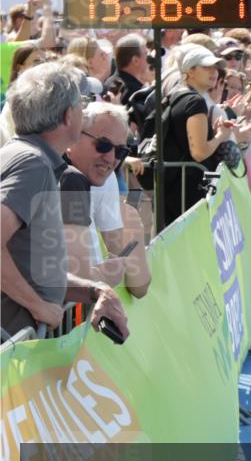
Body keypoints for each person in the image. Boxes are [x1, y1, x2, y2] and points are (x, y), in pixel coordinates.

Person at [1, 63, 129, 340]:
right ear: (69, 115)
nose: (85, 110)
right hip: (13, 347)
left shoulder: (27, 156)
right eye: (82, 104)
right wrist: (39, 306)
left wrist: (94, 291)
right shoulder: (31, 163)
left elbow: (35, 271)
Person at [60, 102, 150, 297]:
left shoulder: (106, 178)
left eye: (120, 152)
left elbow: (139, 285)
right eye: (103, 145)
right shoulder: (55, 175)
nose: (110, 158)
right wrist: (100, 278)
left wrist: (131, 222)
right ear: (74, 136)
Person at [161, 45, 233, 224]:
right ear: (190, 71)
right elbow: (199, 153)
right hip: (189, 191)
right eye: (206, 67)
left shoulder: (175, 95)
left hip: (176, 187)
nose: (214, 72)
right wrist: (220, 136)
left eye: (216, 68)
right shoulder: (195, 102)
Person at [107, 34, 152, 105]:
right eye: (146, 54)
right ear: (135, 60)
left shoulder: (110, 81)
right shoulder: (135, 92)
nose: (149, 58)